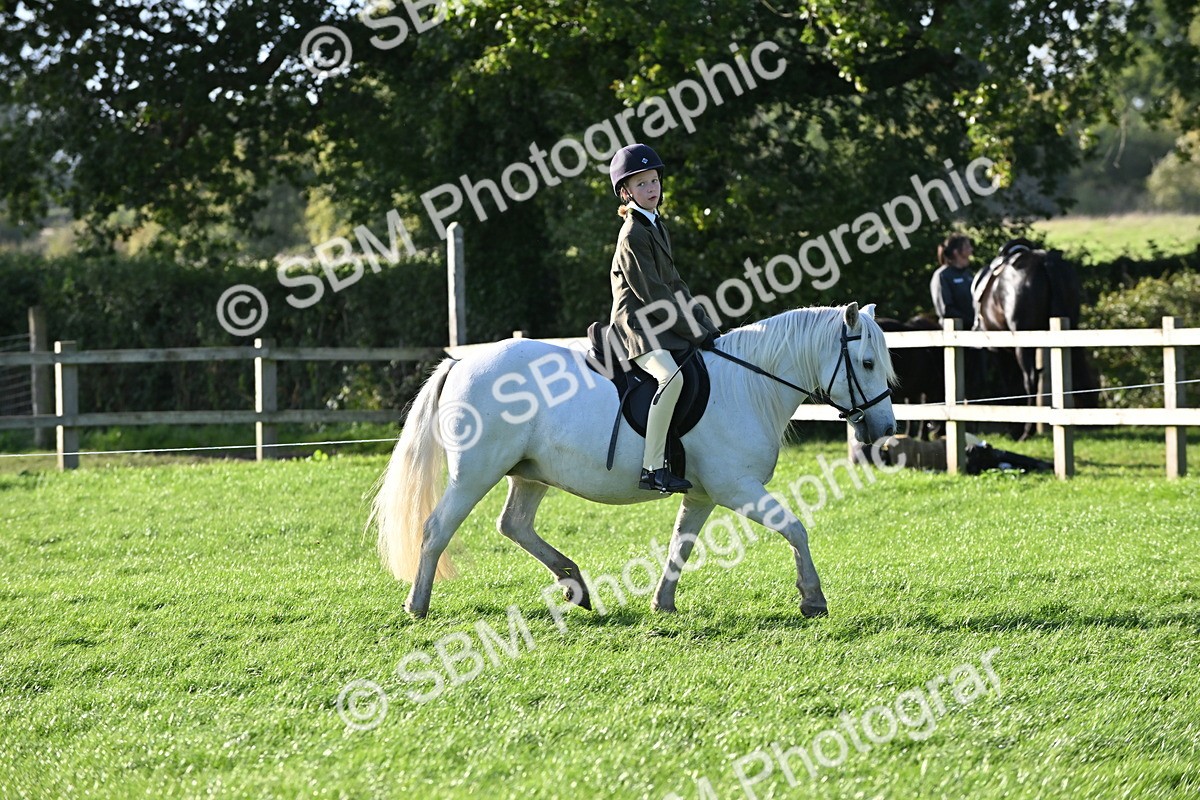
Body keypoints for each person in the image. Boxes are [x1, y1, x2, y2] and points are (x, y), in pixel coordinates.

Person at [607, 143, 719, 494]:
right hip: (637, 327)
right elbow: (655, 295)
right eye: (641, 184)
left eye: (654, 180)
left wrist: (706, 327)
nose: (651, 188)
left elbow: (676, 286)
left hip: (658, 321)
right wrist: (694, 331)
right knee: (670, 379)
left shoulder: (656, 225)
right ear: (626, 193)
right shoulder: (633, 234)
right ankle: (652, 468)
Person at [930, 233, 976, 328]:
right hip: (953, 331)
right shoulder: (942, 275)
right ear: (956, 252)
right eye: (967, 247)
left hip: (974, 330)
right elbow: (945, 309)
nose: (971, 250)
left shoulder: (968, 274)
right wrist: (970, 321)